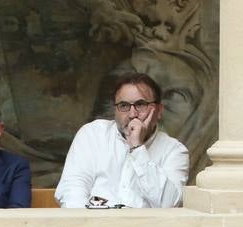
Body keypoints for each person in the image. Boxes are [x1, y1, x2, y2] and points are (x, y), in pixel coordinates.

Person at [54, 72, 188, 209]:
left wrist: (137, 148)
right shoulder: (92, 134)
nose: (132, 114)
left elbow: (168, 204)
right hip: (94, 225)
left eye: (140, 104)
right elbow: (72, 190)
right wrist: (86, 225)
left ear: (159, 110)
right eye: (124, 106)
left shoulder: (175, 151)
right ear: (115, 110)